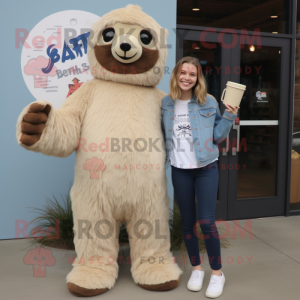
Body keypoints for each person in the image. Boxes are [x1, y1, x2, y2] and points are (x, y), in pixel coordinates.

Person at [161, 56, 239, 298]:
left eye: (192, 74)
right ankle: (197, 269)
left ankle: (217, 273)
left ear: (198, 78)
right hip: (179, 169)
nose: (186, 77)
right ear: (176, 75)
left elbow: (217, 136)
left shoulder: (208, 102)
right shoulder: (166, 103)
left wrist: (229, 116)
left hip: (206, 167)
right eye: (183, 73)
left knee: (206, 222)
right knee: (186, 223)